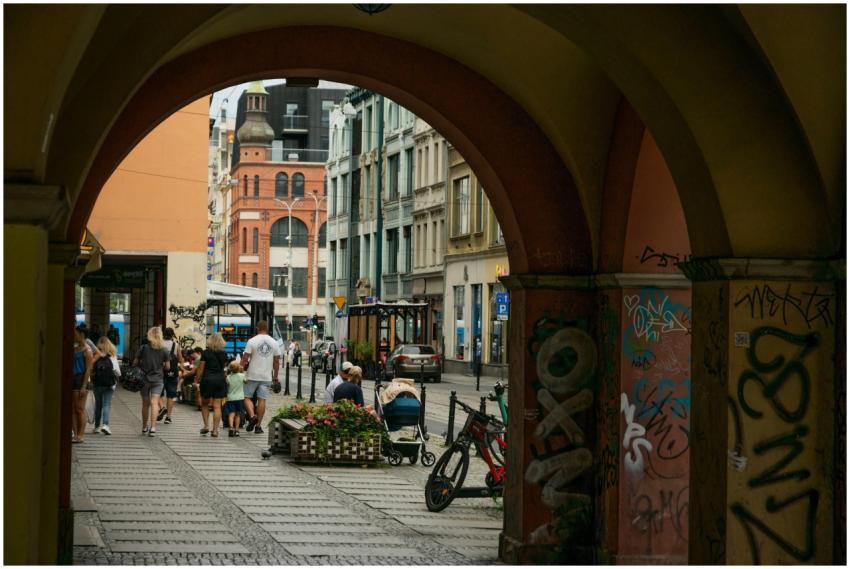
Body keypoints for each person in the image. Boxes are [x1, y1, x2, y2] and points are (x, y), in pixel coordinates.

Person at [241, 320, 281, 435]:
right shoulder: (274, 342)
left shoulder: (252, 341)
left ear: (257, 328)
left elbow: (245, 358)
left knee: (246, 397)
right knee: (262, 400)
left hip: (252, 375)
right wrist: (275, 377)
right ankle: (258, 426)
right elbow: (277, 361)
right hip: (266, 376)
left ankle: (253, 416)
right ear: (267, 328)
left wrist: (239, 370)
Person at [133, 326, 170, 436]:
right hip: (158, 379)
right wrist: (161, 364)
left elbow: (135, 362)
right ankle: (153, 428)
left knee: (145, 403)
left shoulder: (143, 348)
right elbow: (168, 367)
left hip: (144, 379)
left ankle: (144, 427)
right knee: (155, 403)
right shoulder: (164, 350)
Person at [195, 332, 229, 437]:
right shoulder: (224, 354)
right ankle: (215, 430)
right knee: (217, 407)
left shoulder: (205, 353)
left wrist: (197, 379)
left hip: (207, 380)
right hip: (219, 380)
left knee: (205, 404)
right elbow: (223, 368)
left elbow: (201, 368)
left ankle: (206, 426)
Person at [91, 336, 121, 435]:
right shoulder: (112, 355)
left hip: (97, 383)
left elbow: (90, 367)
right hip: (109, 384)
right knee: (106, 404)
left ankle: (96, 427)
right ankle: (105, 425)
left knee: (98, 405)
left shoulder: (96, 354)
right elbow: (118, 372)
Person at [71, 326, 94, 443]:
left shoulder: (87, 350)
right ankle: (75, 434)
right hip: (72, 379)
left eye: (76, 333)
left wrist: (84, 386)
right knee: (73, 409)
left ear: (81, 334)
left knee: (80, 409)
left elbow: (88, 370)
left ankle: (81, 434)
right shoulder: (75, 348)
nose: (74, 335)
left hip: (80, 380)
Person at [159, 327, 184, 424]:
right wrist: (180, 368)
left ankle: (161, 408)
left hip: (160, 372)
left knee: (158, 394)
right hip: (172, 373)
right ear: (172, 335)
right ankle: (168, 417)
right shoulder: (176, 345)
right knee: (170, 395)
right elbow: (181, 360)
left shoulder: (159, 344)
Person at [224, 361, 246, 437]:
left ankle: (231, 428)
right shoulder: (242, 376)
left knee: (231, 414)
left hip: (230, 398)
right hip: (240, 398)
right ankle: (237, 430)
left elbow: (226, 385)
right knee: (238, 415)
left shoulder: (228, 377)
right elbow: (246, 382)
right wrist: (242, 371)